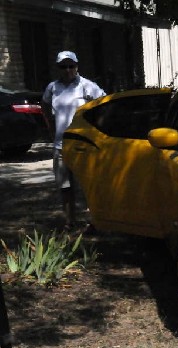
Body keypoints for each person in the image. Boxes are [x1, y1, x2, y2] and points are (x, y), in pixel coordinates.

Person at [42, 51, 106, 231]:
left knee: (89, 185)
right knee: (65, 186)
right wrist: (51, 128)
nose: (68, 70)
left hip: (83, 145)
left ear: (77, 66)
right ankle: (69, 221)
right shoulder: (53, 87)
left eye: (71, 66)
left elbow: (104, 105)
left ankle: (94, 220)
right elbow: (45, 104)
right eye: (63, 66)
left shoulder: (87, 86)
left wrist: (96, 130)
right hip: (61, 146)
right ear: (58, 68)